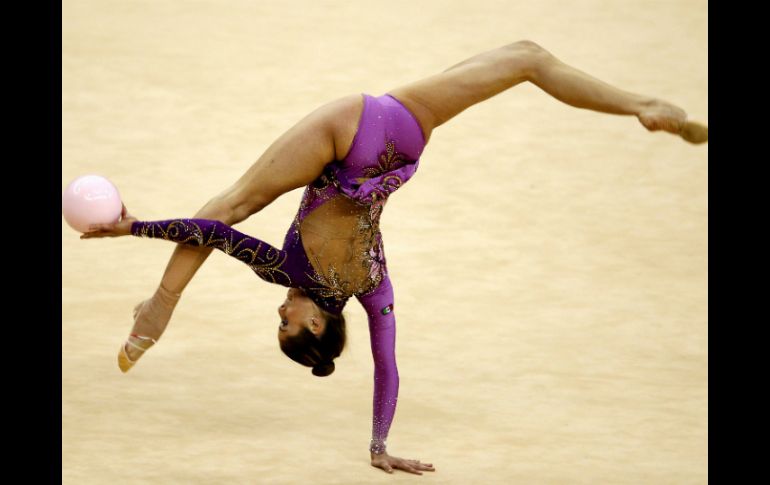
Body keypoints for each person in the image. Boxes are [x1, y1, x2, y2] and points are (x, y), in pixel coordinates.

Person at [80, 40, 707, 475]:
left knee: (523, 59)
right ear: (318, 323)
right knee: (233, 202)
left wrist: (381, 444)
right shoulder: (290, 272)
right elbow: (214, 231)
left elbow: (388, 368)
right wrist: (131, 227)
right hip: (356, 133)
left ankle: (153, 316)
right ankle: (641, 106)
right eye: (286, 322)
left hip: (403, 148)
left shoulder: (375, 288)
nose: (280, 308)